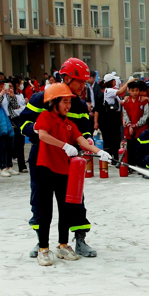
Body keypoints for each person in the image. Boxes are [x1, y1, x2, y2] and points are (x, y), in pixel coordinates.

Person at [21, 58, 100, 259]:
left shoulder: (80, 105)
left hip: (70, 160)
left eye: (85, 82)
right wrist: (37, 132)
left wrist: (90, 143)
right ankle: (42, 242)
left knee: (74, 200)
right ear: (66, 78)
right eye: (79, 81)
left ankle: (79, 239)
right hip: (42, 157)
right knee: (40, 201)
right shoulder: (41, 99)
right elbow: (23, 122)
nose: (83, 86)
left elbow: (84, 130)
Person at [31, 83, 111, 266]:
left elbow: (81, 140)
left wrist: (99, 152)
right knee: (45, 211)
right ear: (54, 102)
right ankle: (43, 249)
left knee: (65, 210)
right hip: (45, 170)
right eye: (64, 102)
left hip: (63, 171)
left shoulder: (69, 124)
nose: (68, 106)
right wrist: (64, 145)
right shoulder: (45, 117)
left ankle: (63, 245)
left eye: (69, 102)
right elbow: (42, 135)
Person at [0, 79, 18, 177]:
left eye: (3, 84)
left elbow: (15, 106)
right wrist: (1, 94)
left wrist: (12, 96)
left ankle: (9, 166)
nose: (2, 86)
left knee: (10, 145)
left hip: (9, 119)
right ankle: (2, 167)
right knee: (1, 145)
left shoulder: (8, 94)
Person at [93, 73, 123, 159]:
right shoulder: (101, 98)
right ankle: (108, 156)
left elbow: (120, 109)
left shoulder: (115, 97)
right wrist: (96, 122)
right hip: (105, 121)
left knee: (116, 139)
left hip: (115, 120)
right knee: (107, 139)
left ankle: (115, 157)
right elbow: (96, 111)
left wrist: (121, 120)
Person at [122, 80, 149, 168]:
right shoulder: (126, 102)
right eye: (133, 90)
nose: (135, 93)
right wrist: (130, 125)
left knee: (141, 148)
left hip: (141, 129)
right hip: (129, 129)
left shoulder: (143, 101)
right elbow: (125, 115)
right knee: (130, 147)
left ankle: (141, 165)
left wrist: (136, 125)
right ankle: (131, 166)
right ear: (129, 91)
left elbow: (146, 116)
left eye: (137, 90)